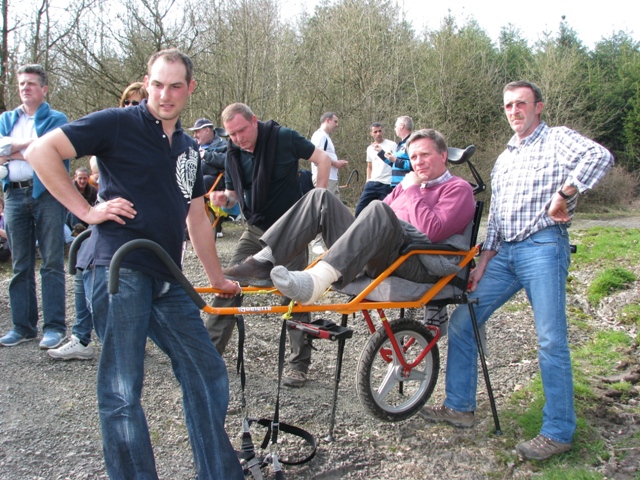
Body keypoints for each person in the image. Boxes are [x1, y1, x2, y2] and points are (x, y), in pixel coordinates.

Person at [25, 48, 243, 478]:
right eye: (158, 84)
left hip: (167, 274)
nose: (165, 94)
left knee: (206, 371)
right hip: (118, 269)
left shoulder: (187, 149)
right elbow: (40, 153)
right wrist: (87, 212)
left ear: (190, 89)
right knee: (123, 390)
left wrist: (218, 280)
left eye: (175, 86)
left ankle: (219, 473)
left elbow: (196, 217)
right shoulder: (118, 123)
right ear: (147, 82)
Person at [420, 81, 614, 461]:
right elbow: (498, 217)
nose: (514, 111)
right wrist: (485, 260)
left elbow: (600, 157)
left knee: (550, 340)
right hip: (505, 255)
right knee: (463, 320)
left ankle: (558, 431)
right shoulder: (504, 157)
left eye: (521, 104)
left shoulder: (557, 139)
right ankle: (460, 407)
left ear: (538, 107)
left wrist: (566, 193)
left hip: (544, 246)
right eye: (508, 105)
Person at [222, 129, 475, 307]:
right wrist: (409, 190)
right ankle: (264, 261)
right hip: (380, 251)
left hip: (416, 261)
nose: (418, 162)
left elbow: (432, 232)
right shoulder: (409, 184)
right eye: (414, 156)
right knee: (319, 196)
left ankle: (316, 281)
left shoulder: (458, 188)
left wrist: (411, 190)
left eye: (425, 155)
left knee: (377, 208)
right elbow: (372, 220)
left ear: (442, 156)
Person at [206, 102, 331, 388]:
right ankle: (209, 356)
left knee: (294, 294)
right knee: (228, 284)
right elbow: (233, 196)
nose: (238, 138)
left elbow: (322, 159)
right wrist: (223, 202)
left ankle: (298, 366)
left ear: (254, 121)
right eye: (231, 134)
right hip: (256, 229)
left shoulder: (283, 138)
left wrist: (317, 203)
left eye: (241, 130)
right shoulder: (233, 153)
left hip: (291, 230)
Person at [0, 64, 68, 349]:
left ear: (44, 89)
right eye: (21, 83)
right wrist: (31, 148)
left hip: (47, 195)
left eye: (31, 83)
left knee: (52, 262)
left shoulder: (56, 118)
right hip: (14, 197)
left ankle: (54, 327)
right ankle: (23, 326)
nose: (25, 88)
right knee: (20, 264)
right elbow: (33, 149)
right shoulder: (6, 119)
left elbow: (51, 152)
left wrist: (11, 149)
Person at [189, 117, 240, 237]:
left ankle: (195, 223)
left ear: (207, 130)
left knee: (201, 182)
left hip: (215, 178)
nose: (195, 135)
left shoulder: (224, 145)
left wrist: (207, 155)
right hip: (194, 177)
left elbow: (227, 161)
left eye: (197, 131)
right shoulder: (192, 145)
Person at [354, 122, 396, 217]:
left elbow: (396, 163)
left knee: (387, 213)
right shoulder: (369, 149)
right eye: (375, 132)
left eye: (380, 131)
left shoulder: (392, 145)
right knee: (359, 211)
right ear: (371, 133)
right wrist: (367, 181)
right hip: (372, 183)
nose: (378, 134)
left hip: (387, 183)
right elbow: (369, 166)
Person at [310, 112, 348, 194]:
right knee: (325, 206)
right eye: (335, 121)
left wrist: (338, 162)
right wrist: (335, 163)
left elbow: (326, 156)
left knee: (334, 206)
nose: (337, 125)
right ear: (328, 120)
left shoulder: (326, 137)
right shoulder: (320, 136)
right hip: (325, 179)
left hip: (331, 179)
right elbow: (317, 158)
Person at [377, 115, 413, 188]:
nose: (395, 129)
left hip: (406, 185)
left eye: (396, 126)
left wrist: (395, 160)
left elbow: (413, 165)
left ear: (402, 126)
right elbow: (394, 164)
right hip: (396, 185)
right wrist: (381, 152)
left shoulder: (411, 143)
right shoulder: (401, 145)